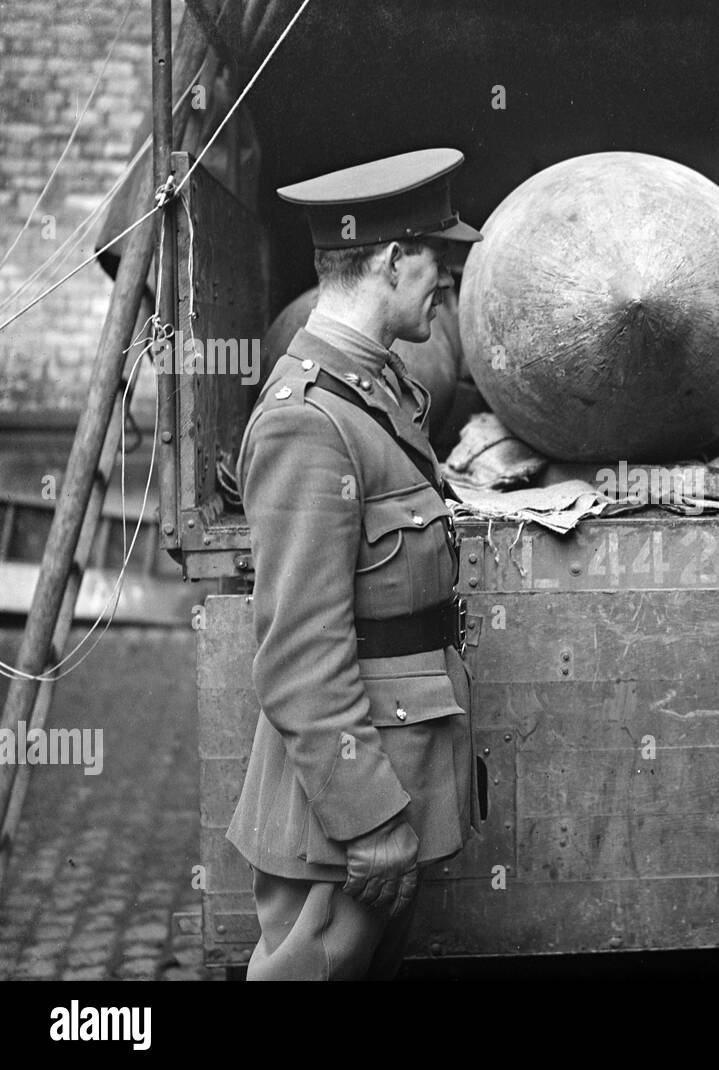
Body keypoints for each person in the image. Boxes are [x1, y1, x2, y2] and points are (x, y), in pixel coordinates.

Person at [226, 148, 483, 980]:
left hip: (394, 767)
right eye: (436, 263)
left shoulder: (380, 390)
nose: (443, 284)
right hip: (345, 803)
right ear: (392, 259)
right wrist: (368, 818)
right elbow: (300, 650)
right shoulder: (309, 421)